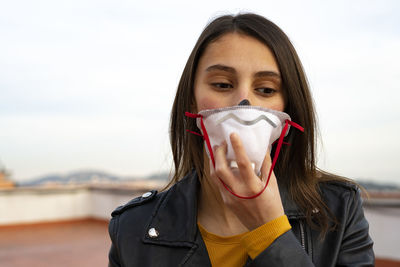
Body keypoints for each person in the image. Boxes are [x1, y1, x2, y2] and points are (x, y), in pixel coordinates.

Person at [108, 13, 374, 267]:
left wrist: (269, 233)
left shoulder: (339, 210)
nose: (244, 103)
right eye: (222, 84)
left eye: (266, 89)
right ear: (191, 100)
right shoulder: (131, 228)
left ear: (288, 111)